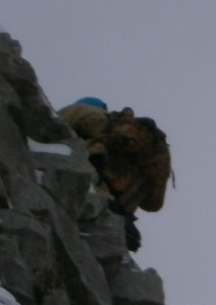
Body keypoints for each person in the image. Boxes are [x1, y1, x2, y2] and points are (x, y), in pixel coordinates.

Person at [57, 97, 172, 252]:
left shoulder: (88, 112)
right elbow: (153, 204)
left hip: (95, 180)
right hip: (122, 201)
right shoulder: (137, 148)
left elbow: (56, 122)